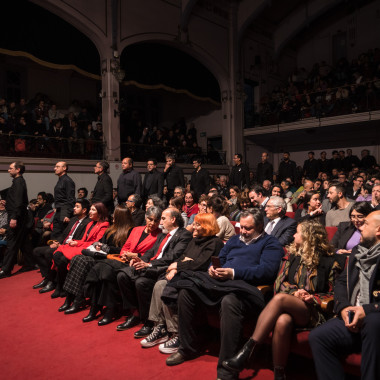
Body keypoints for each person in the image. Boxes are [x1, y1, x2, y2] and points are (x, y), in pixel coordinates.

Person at [164, 208, 283, 380]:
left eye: (248, 228)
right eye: (241, 227)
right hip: (222, 283)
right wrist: (213, 269)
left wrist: (233, 273)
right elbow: (220, 260)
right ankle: (187, 348)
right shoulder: (235, 240)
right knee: (186, 291)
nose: (243, 231)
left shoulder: (271, 243)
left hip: (246, 289)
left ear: (260, 226)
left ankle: (227, 369)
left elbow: (266, 271)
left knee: (229, 301)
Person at [222, 220, 345, 379]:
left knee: (280, 299)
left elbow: (337, 293)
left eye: (298, 232)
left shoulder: (331, 261)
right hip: (290, 306)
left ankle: (248, 351)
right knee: (282, 320)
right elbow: (279, 283)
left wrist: (311, 297)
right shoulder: (293, 256)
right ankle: (279, 373)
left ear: (309, 237)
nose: (294, 235)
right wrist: (295, 293)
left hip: (314, 311)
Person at [309, 210, 380, 380]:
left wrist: (368, 310)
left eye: (365, 224)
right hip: (354, 315)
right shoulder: (358, 250)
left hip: (374, 317)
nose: (359, 227)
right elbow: (341, 282)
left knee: (373, 322)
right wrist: (344, 307)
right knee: (318, 337)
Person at [140, 213, 224, 352]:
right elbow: (184, 258)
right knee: (160, 284)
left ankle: (177, 332)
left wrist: (178, 267)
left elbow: (200, 265)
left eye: (197, 224)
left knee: (169, 286)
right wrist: (176, 266)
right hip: (185, 273)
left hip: (197, 278)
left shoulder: (215, 243)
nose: (193, 227)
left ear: (206, 226)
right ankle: (160, 326)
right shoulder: (194, 240)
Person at [116, 208, 192, 336]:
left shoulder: (184, 235)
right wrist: (139, 259)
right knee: (122, 275)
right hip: (150, 265)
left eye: (163, 218)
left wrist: (149, 264)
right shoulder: (163, 235)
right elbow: (151, 252)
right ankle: (135, 313)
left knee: (141, 283)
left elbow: (173, 256)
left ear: (173, 219)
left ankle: (149, 321)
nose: (160, 222)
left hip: (162, 269)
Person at [83, 206, 162, 326]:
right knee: (106, 271)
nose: (152, 223)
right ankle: (102, 309)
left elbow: (153, 254)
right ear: (145, 218)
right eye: (150, 219)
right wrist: (125, 254)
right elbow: (125, 246)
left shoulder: (159, 235)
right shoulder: (136, 229)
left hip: (137, 263)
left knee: (104, 269)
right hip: (123, 260)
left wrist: (134, 255)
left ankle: (98, 308)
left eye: (156, 220)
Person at [58, 205, 134, 315]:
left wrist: (105, 248)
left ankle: (78, 299)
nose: (112, 217)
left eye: (115, 215)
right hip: (100, 255)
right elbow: (99, 241)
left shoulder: (129, 231)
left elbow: (124, 249)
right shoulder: (111, 229)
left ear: (121, 217)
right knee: (77, 258)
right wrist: (98, 244)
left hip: (111, 259)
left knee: (82, 261)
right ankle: (70, 298)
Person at [50, 202, 109, 298]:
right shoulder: (90, 223)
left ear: (100, 213)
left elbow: (95, 243)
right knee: (57, 254)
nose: (90, 211)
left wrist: (77, 243)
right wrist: (75, 242)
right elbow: (83, 240)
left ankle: (62, 287)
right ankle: (60, 284)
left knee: (63, 259)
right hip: (83, 246)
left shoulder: (104, 225)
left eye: (93, 210)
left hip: (90, 249)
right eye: (90, 209)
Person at [32, 198, 91, 293]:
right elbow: (64, 234)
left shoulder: (88, 222)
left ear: (84, 210)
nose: (74, 209)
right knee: (36, 251)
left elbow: (80, 240)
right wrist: (57, 242)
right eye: (74, 206)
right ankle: (48, 277)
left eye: (77, 207)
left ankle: (52, 281)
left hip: (71, 247)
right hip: (62, 244)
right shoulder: (73, 219)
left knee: (49, 253)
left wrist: (61, 245)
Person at [0, 161, 34, 278]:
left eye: (10, 168)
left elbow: (19, 202)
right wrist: (7, 202)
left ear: (18, 169)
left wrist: (14, 218)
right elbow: (16, 200)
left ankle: (6, 270)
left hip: (17, 217)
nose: (8, 170)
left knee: (12, 243)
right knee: (24, 241)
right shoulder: (18, 181)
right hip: (19, 216)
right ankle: (30, 264)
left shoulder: (19, 182)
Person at [51, 161, 75, 240]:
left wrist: (68, 213)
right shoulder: (61, 179)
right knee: (56, 233)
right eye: (55, 166)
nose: (55, 168)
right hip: (59, 209)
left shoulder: (67, 180)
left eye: (57, 167)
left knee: (61, 234)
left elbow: (70, 198)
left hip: (64, 210)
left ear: (64, 168)